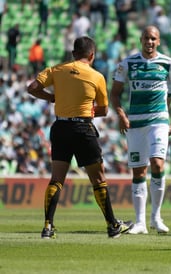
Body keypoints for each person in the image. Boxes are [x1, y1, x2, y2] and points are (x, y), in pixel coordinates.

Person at [27, 36, 133, 239]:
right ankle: (112, 225)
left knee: (57, 179)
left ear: (73, 53)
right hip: (83, 128)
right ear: (92, 55)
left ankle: (48, 227)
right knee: (98, 179)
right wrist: (85, 109)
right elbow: (103, 110)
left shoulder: (57, 70)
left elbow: (32, 88)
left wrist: (51, 97)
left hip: (60, 127)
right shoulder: (97, 76)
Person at [110, 25, 171, 234]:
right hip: (135, 123)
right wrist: (121, 114)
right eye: (146, 38)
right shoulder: (128, 63)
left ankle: (156, 217)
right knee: (138, 171)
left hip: (159, 121)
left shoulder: (168, 63)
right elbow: (115, 93)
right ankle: (140, 222)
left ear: (158, 41)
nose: (149, 42)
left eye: (153, 38)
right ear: (141, 40)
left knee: (158, 164)